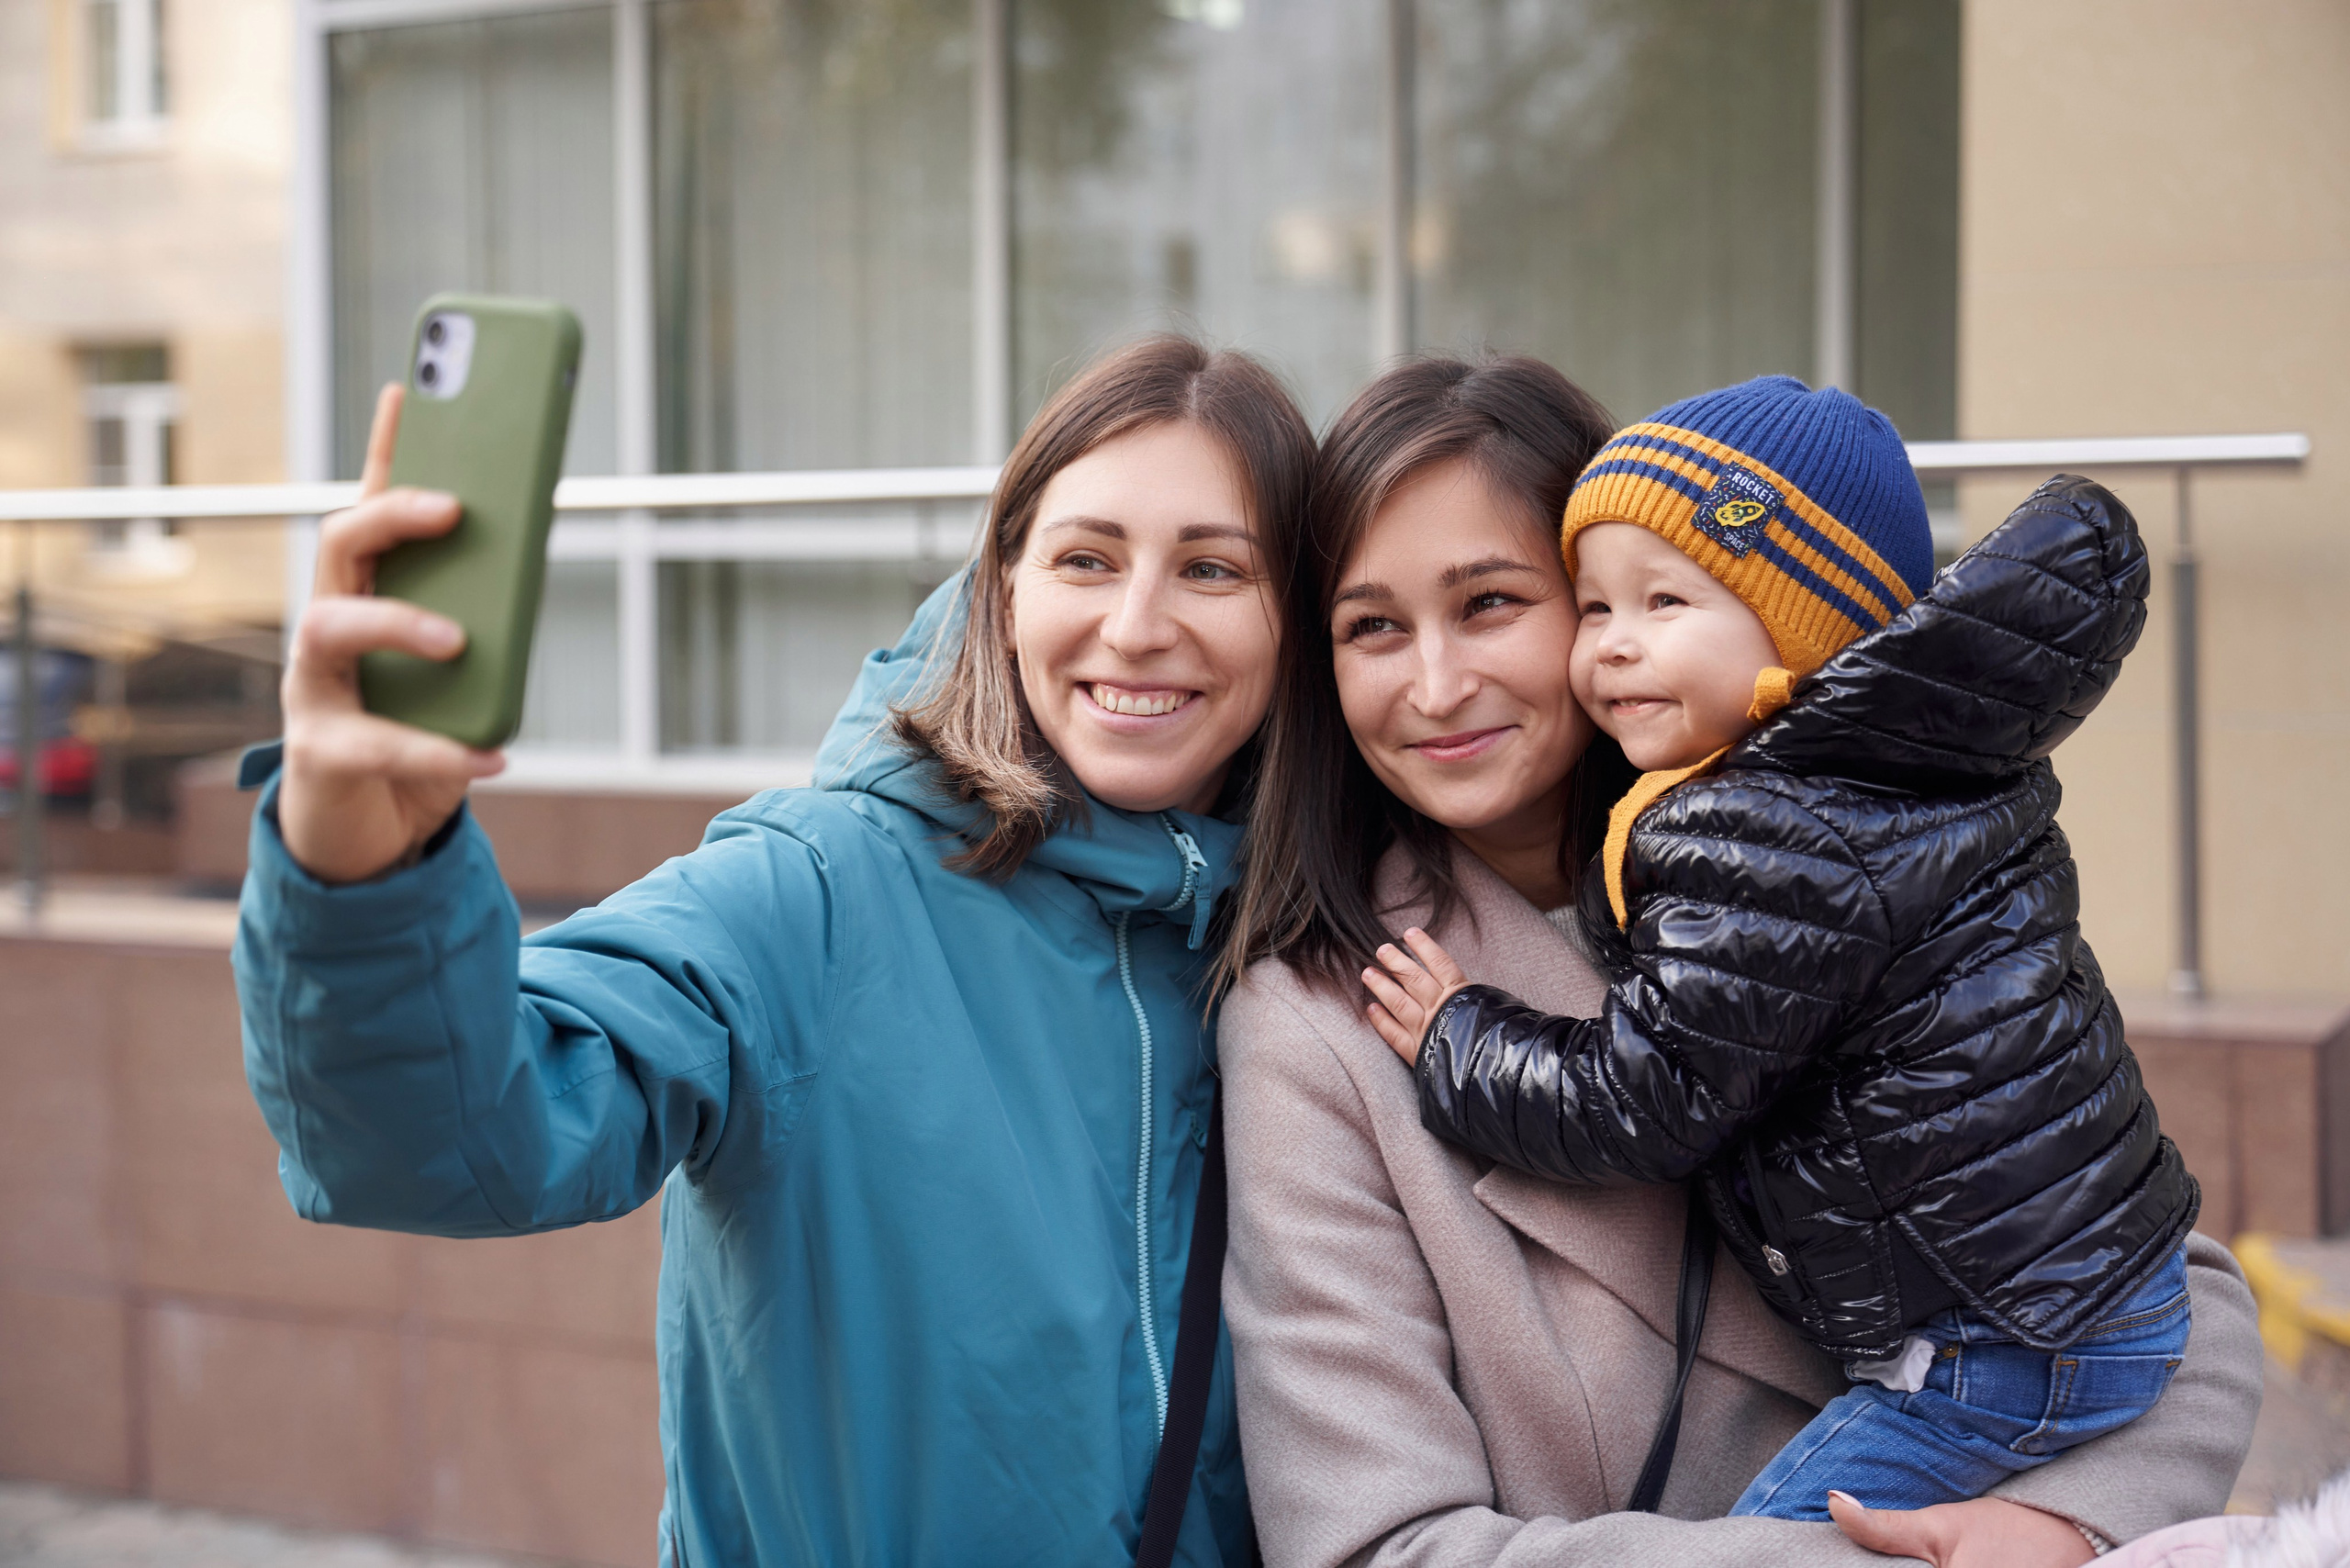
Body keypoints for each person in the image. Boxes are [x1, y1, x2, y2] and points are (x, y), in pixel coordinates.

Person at [232, 334, 1310, 1566]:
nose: (1136, 624)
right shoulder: (811, 893)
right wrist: (359, 875)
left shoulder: (1315, 939)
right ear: (1004, 587)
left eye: (1214, 571)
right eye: (1085, 558)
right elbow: (451, 1138)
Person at [1218, 355, 2263, 1567]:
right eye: (1372, 628)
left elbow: (2155, 1278)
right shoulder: (1320, 1019)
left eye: (1493, 602)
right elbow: (1374, 1543)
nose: (1439, 684)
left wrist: (2065, 1527)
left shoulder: (1838, 855)